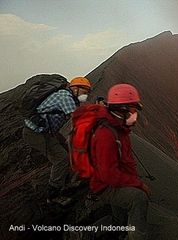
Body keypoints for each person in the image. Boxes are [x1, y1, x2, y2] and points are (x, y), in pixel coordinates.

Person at [89, 83, 150, 240]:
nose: (135, 114)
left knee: (120, 219)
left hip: (116, 181)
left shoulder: (119, 128)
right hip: (106, 185)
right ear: (122, 110)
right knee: (138, 198)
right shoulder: (107, 135)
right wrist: (138, 185)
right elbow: (108, 173)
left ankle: (109, 230)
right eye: (133, 110)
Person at [22, 76, 92, 204]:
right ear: (75, 88)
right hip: (35, 134)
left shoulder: (70, 98)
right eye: (84, 91)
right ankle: (53, 195)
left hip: (47, 132)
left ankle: (67, 181)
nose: (85, 95)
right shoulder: (65, 97)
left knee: (67, 150)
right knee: (61, 159)